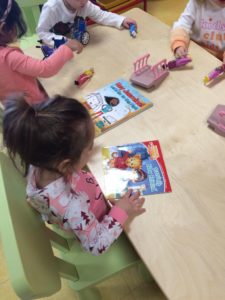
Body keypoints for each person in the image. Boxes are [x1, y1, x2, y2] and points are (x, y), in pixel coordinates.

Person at [2, 95, 146, 255]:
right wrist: (120, 211)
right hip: (96, 221)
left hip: (82, 203)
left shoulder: (38, 160)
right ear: (65, 165)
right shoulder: (73, 207)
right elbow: (96, 245)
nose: (93, 150)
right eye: (90, 146)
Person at [0, 0, 83, 105]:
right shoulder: (8, 57)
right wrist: (66, 47)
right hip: (33, 108)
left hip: (14, 109)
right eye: (16, 24)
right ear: (3, 29)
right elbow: (45, 69)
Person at [36, 0, 137, 46]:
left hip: (79, 45)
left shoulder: (85, 4)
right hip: (54, 45)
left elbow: (101, 15)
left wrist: (121, 20)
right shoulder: (52, 8)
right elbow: (42, 33)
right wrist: (65, 42)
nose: (84, 2)